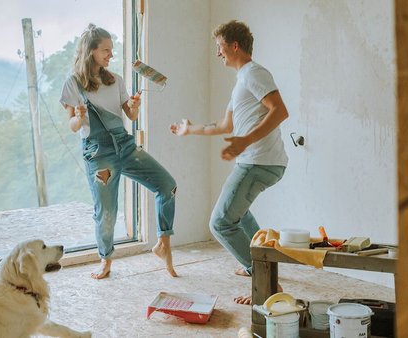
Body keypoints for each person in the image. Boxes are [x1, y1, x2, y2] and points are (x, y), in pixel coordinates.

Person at [170, 20, 288, 304]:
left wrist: (245, 141)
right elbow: (225, 125)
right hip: (257, 160)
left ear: (234, 46)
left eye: (220, 47)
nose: (218, 53)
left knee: (221, 223)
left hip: (258, 161)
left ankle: (266, 283)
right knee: (239, 215)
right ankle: (264, 266)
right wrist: (191, 128)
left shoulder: (254, 73)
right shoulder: (242, 81)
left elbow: (280, 111)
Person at [60, 24, 178, 279]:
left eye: (111, 50)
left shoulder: (116, 80)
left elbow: (131, 116)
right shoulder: (73, 84)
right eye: (106, 50)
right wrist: (79, 117)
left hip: (125, 146)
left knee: (167, 185)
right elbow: (72, 125)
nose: (110, 55)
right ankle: (105, 259)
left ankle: (163, 244)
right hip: (99, 153)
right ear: (91, 51)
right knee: (107, 212)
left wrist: (134, 106)